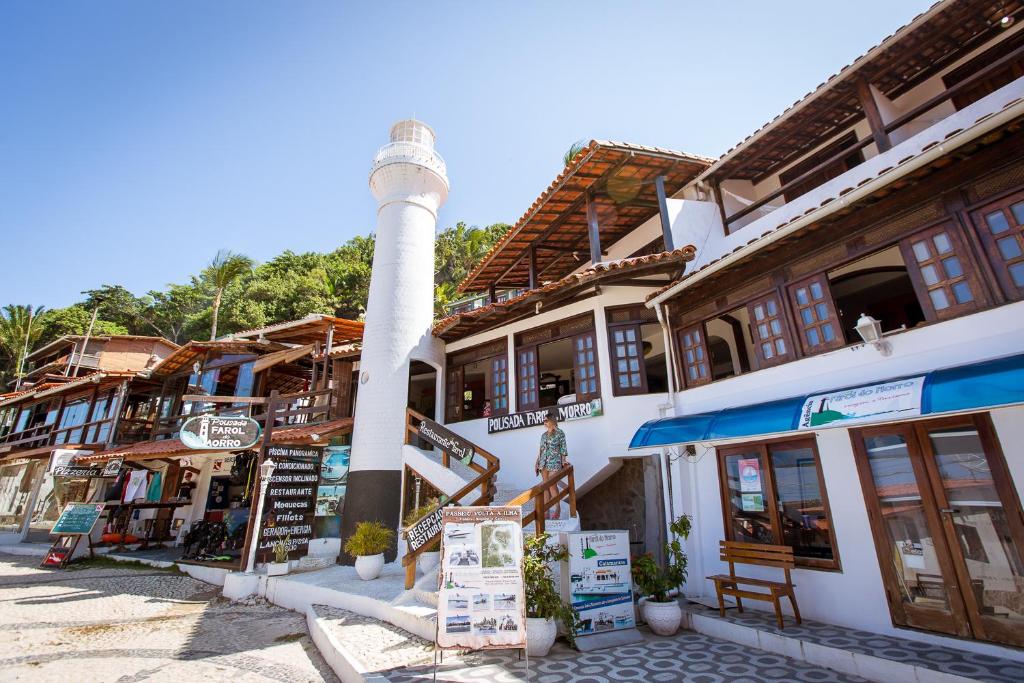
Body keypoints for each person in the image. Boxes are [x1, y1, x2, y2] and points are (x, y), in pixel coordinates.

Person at [534, 412, 568, 519]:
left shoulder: (560, 433)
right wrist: (537, 462)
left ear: (552, 420)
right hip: (543, 463)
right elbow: (541, 450)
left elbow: (563, 448)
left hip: (554, 462)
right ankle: (546, 511)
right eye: (544, 421)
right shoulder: (543, 435)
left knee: (552, 485)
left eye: (546, 420)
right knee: (545, 488)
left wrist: (563, 460)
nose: (544, 422)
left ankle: (557, 508)